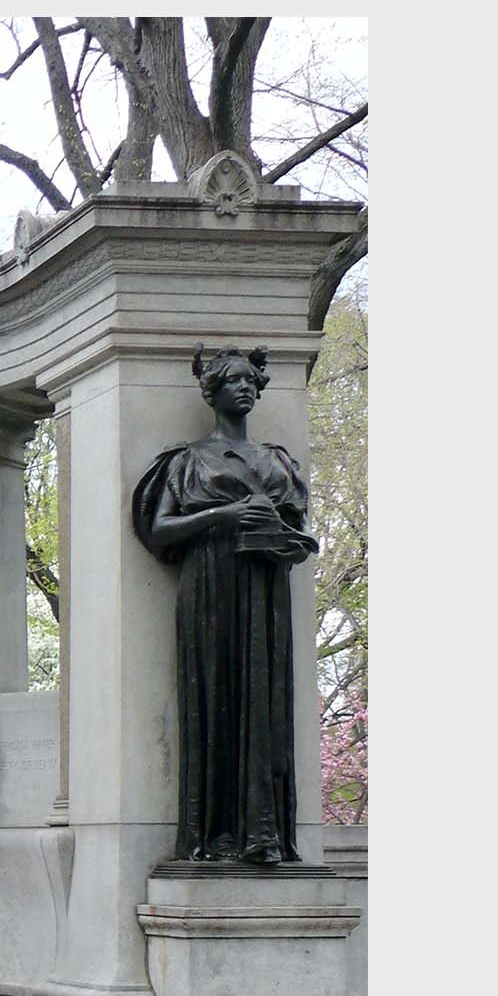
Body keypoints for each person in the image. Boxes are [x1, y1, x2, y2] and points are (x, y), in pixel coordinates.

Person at [132, 346, 317, 865]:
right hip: (210, 583)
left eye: (250, 382)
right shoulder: (187, 461)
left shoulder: (279, 461)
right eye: (232, 381)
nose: (244, 389)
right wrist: (225, 514)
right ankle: (215, 836)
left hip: (264, 585)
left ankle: (265, 833)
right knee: (215, 698)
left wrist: (288, 540)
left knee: (267, 701)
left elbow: (298, 532)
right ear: (212, 392)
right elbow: (160, 530)